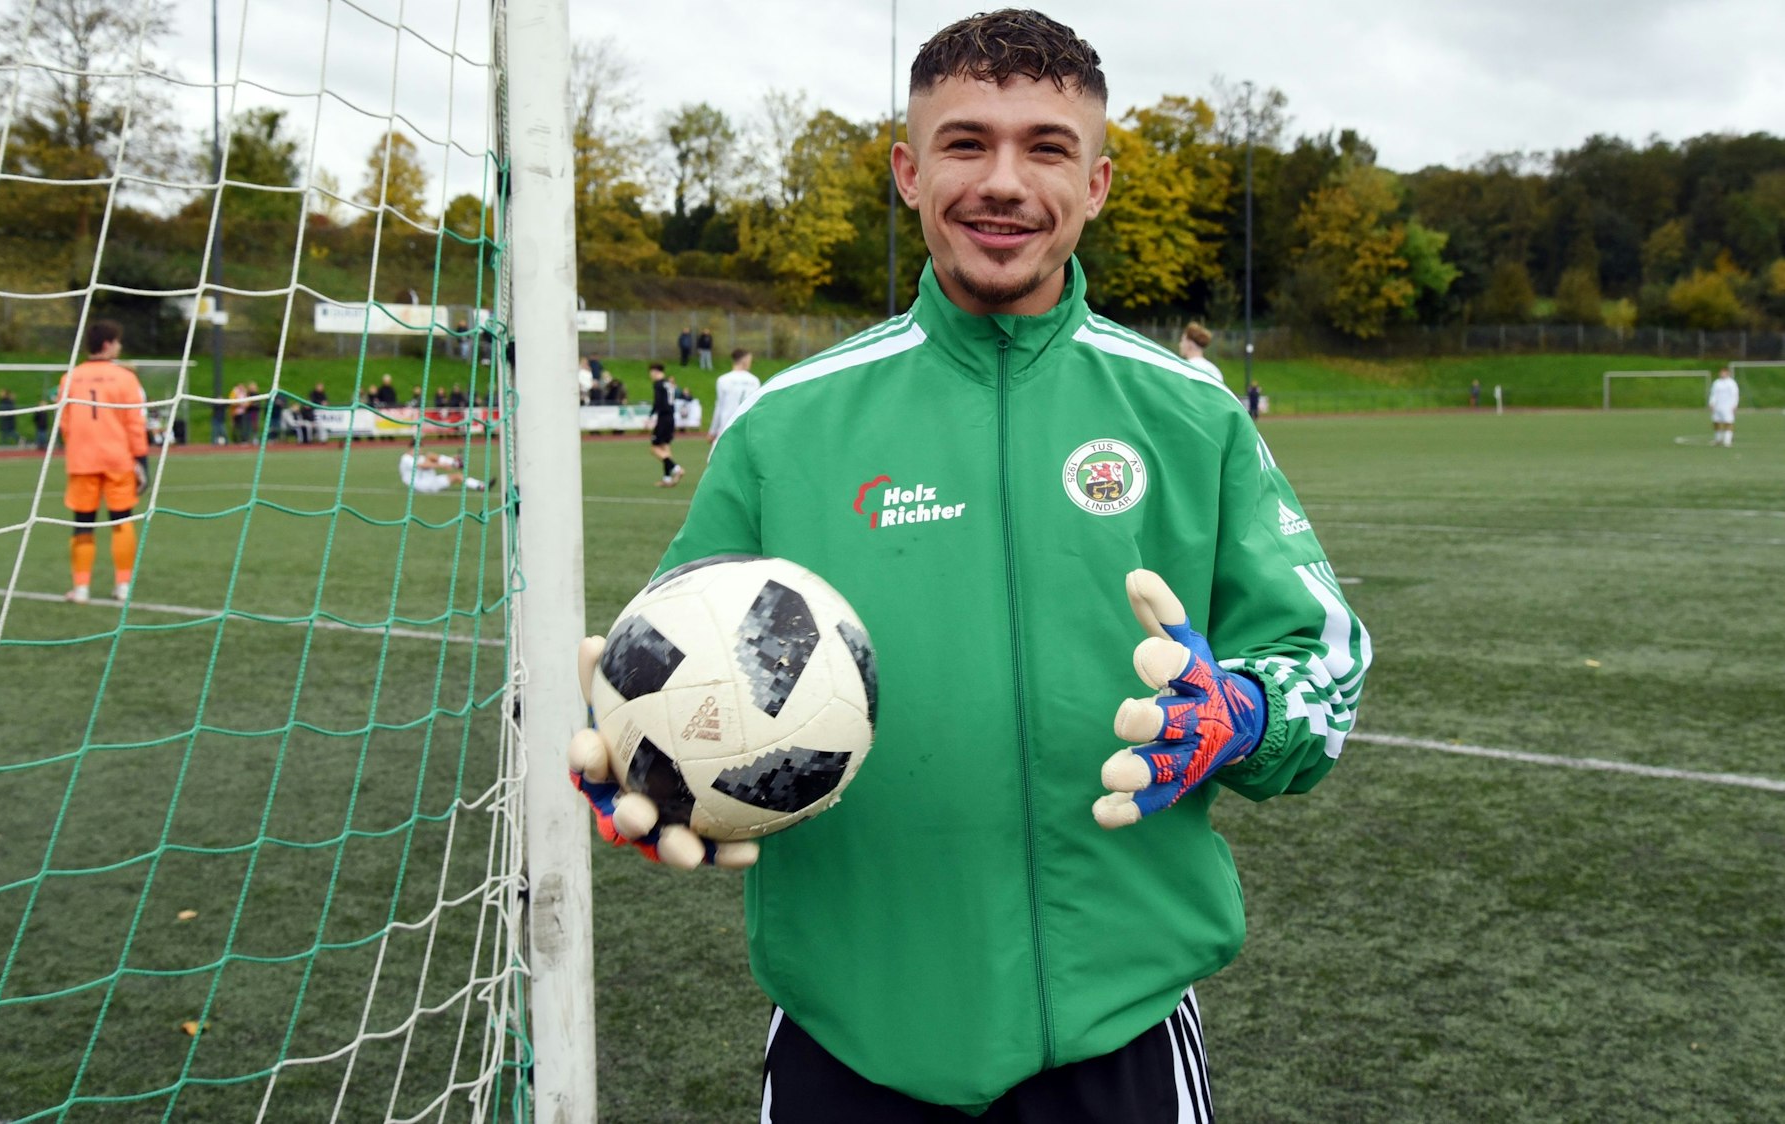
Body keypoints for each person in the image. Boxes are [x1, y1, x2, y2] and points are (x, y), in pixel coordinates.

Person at [567, 11, 1370, 1121]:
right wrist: (640, 767)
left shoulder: (1194, 416)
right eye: (964, 143)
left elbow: (1323, 666)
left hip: (1118, 1042)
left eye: (1045, 147)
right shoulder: (785, 427)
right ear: (908, 171)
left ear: (1094, 182)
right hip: (846, 1045)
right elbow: (663, 666)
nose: (1004, 181)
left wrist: (1242, 712)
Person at [57, 320, 149, 604]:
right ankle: (123, 586)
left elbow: (65, 423)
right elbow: (135, 422)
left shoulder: (70, 378)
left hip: (82, 460)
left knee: (83, 523)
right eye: (118, 342)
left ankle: (81, 588)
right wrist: (142, 460)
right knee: (121, 521)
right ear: (108, 344)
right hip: (118, 459)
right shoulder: (125, 378)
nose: (119, 347)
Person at [710, 347, 762, 443]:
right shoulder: (754, 381)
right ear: (745, 360)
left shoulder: (723, 380)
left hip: (726, 425)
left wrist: (712, 431)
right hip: (745, 426)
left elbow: (719, 407)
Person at [647, 362, 682, 487]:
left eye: (651, 372)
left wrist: (650, 416)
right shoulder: (668, 383)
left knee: (654, 448)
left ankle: (676, 468)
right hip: (671, 417)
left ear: (655, 371)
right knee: (665, 447)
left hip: (663, 418)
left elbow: (658, 403)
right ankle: (667, 478)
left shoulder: (658, 384)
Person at [398, 450, 489, 493]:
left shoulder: (419, 457)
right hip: (421, 485)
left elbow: (434, 461)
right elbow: (422, 465)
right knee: (430, 455)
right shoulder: (406, 458)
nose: (420, 451)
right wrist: (442, 465)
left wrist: (451, 458)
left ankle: (481, 486)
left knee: (457, 476)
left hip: (431, 482)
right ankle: (455, 463)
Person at [1709, 366, 1739, 447]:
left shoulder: (1731, 383)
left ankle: (1727, 440)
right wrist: (1711, 403)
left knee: (1728, 422)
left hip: (1728, 406)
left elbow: (1735, 395)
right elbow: (1713, 394)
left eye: (1724, 372)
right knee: (1716, 422)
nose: (1722, 374)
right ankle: (1718, 439)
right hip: (1718, 406)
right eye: (1721, 372)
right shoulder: (1716, 382)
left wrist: (1735, 405)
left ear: (1728, 373)